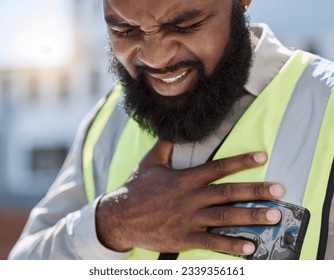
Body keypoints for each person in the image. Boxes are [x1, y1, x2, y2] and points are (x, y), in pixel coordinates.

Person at [8, 0, 334, 260]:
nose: (157, 58)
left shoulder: (326, 105)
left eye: (185, 25)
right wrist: (110, 225)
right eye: (124, 29)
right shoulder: (106, 120)